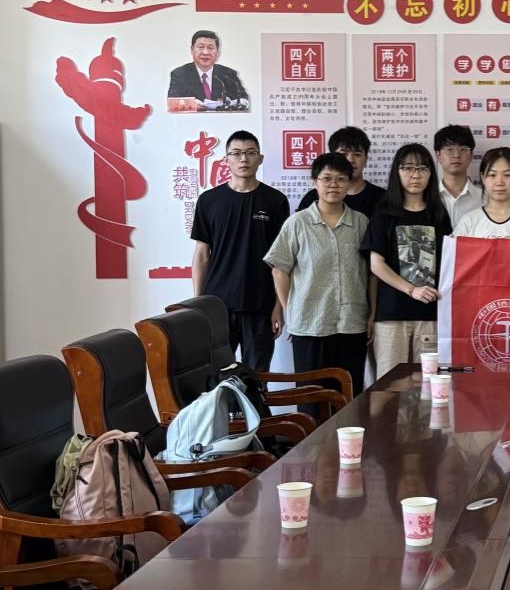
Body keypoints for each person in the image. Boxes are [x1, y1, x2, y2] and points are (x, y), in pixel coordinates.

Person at [264, 153, 371, 403]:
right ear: (315, 182)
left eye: (341, 179)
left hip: (352, 324)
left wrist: (372, 313)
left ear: (349, 183)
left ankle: (347, 433)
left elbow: (370, 271)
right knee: (311, 399)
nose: (333, 185)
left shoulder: (361, 222)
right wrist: (292, 309)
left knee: (348, 397)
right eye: (326, 178)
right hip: (310, 326)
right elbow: (279, 269)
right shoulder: (298, 223)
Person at [190, 130, 289, 371]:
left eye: (250, 153)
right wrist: (199, 304)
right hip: (217, 305)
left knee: (257, 377)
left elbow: (283, 260)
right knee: (217, 377)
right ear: (226, 160)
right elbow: (202, 254)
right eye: (236, 153)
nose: (243, 159)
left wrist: (279, 306)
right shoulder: (209, 201)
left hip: (260, 305)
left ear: (260, 158)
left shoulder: (275, 201)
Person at [362, 144, 453, 377]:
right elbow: (376, 265)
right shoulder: (383, 214)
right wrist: (412, 290)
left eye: (422, 168)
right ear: (397, 172)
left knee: (428, 385)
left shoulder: (438, 215)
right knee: (389, 386)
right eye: (408, 168)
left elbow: (449, 263)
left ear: (431, 173)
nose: (415, 175)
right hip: (391, 315)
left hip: (430, 316)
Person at [454, 147, 510, 239]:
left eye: (507, 175)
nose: (499, 182)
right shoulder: (469, 221)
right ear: (483, 178)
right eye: (492, 175)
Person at [295, 126, 384, 217]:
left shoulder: (382, 198)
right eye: (344, 154)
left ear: (366, 160)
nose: (350, 160)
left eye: (357, 154)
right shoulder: (313, 197)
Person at [167, 30, 249, 111]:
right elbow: (172, 103)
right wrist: (191, 104)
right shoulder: (180, 74)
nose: (205, 52)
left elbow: (244, 99)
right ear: (192, 50)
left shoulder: (228, 74)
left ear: (217, 52)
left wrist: (241, 102)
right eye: (201, 47)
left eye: (210, 48)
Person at [434, 124, 480, 229]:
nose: (456, 155)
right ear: (438, 155)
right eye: (449, 150)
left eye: (463, 149)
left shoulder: (484, 199)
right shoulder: (427, 198)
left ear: (471, 155)